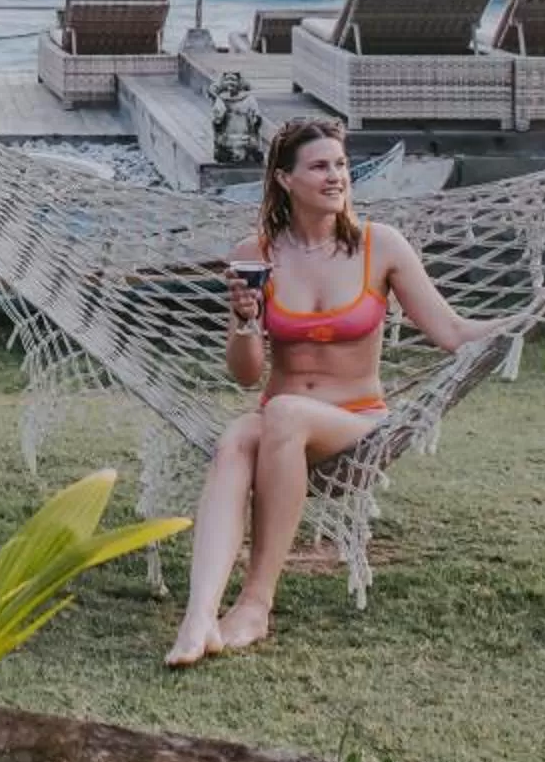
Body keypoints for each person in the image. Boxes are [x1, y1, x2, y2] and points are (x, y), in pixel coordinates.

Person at [164, 117, 493, 667]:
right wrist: (244, 321)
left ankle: (255, 604)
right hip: (280, 425)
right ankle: (200, 615)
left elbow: (451, 333)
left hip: (356, 420)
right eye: (320, 166)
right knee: (233, 442)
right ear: (285, 179)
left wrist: (524, 318)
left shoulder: (379, 246)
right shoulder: (256, 253)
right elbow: (247, 375)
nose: (336, 176)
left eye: (340, 165)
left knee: (284, 414)